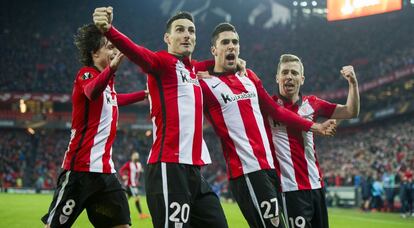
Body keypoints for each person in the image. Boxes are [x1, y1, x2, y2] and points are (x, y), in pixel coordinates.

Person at [93, 7, 228, 228]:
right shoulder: (161, 62)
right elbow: (136, 51)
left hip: (194, 170)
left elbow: (213, 65)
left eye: (191, 31)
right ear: (168, 38)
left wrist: (234, 64)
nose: (187, 34)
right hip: (169, 166)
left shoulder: (193, 70)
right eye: (180, 30)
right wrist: (109, 31)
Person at [197, 23, 335, 228]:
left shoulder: (248, 77)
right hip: (248, 171)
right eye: (225, 42)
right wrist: (208, 65)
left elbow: (276, 110)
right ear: (214, 49)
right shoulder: (205, 83)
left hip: (270, 170)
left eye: (235, 42)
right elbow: (179, 65)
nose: (231, 46)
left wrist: (314, 127)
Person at [41, 24, 147, 228]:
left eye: (115, 47)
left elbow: (116, 99)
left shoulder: (109, 86)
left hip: (106, 174)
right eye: (109, 47)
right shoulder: (86, 74)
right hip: (79, 171)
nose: (114, 51)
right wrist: (112, 68)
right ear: (94, 53)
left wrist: (144, 94)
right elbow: (92, 92)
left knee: (121, 225)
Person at [267, 54, 360, 228]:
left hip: (317, 186)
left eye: (294, 73)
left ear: (301, 79)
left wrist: (353, 84)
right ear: (277, 77)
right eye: (285, 72)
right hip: (290, 189)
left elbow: (350, 112)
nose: (289, 76)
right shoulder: (268, 107)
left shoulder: (313, 104)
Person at [119, 151, 150, 219]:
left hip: (134, 185)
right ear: (132, 157)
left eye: (137, 155)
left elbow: (139, 174)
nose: (136, 157)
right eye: (134, 155)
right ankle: (141, 214)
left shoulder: (139, 164)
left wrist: (138, 180)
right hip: (130, 185)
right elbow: (121, 170)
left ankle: (119, 212)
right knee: (137, 198)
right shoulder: (129, 164)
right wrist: (123, 175)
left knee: (125, 199)